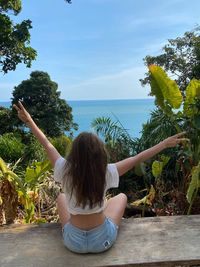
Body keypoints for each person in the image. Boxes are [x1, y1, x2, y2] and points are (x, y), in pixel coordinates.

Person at [13, 101, 186, 254]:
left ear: (74, 153)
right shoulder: (107, 171)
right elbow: (136, 159)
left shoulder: (64, 169)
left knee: (61, 197)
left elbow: (47, 144)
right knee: (121, 197)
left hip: (73, 243)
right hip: (103, 241)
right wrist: (163, 144)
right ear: (100, 154)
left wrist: (29, 121)